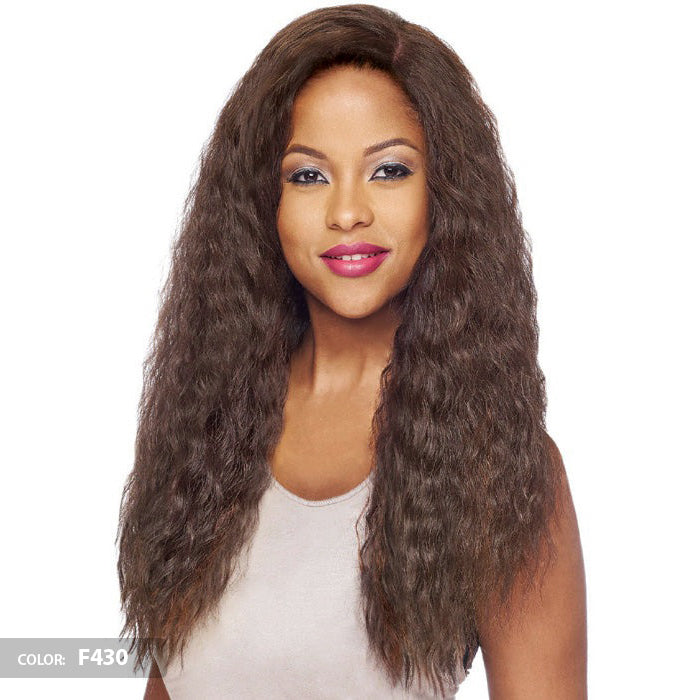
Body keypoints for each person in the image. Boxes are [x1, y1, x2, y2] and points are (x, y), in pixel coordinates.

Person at [117, 4, 587, 699]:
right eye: (308, 175)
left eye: (389, 170)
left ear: (445, 194)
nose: (346, 212)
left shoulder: (500, 468)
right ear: (262, 202)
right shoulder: (203, 434)